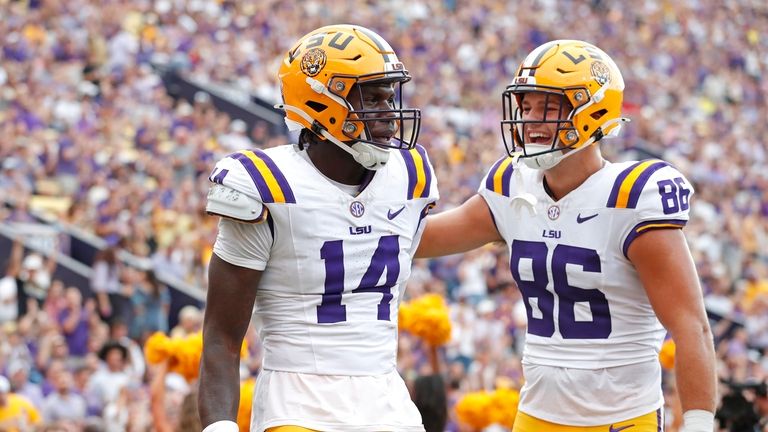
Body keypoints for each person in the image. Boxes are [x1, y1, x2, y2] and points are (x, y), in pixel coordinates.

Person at [416, 40, 716, 431]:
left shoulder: (631, 196)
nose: (531, 119)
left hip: (622, 419)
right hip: (536, 416)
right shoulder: (513, 184)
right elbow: (420, 239)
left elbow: (691, 326)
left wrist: (697, 424)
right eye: (526, 107)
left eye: (549, 107)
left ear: (593, 111)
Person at [198, 24, 436, 432]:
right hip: (298, 403)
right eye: (373, 99)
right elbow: (221, 336)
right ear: (323, 103)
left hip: (387, 401)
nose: (390, 114)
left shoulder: (409, 174)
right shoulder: (265, 184)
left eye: (390, 96)